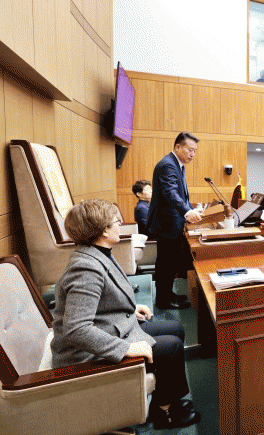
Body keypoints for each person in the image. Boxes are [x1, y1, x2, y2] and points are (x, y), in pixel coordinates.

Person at [51, 200, 200, 430]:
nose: (120, 223)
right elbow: (76, 329)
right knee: (171, 346)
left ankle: (168, 396)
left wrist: (129, 309)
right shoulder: (86, 268)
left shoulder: (97, 253)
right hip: (83, 355)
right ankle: (164, 413)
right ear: (103, 230)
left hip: (110, 327)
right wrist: (125, 348)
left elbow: (102, 299)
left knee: (175, 329)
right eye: (115, 221)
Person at [147, 132, 202, 310]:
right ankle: (163, 301)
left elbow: (181, 195)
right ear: (178, 147)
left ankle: (167, 294)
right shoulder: (167, 165)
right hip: (166, 224)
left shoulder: (177, 165)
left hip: (172, 223)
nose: (192, 154)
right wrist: (187, 211)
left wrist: (191, 209)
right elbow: (170, 193)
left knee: (169, 263)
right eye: (190, 150)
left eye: (195, 151)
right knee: (166, 263)